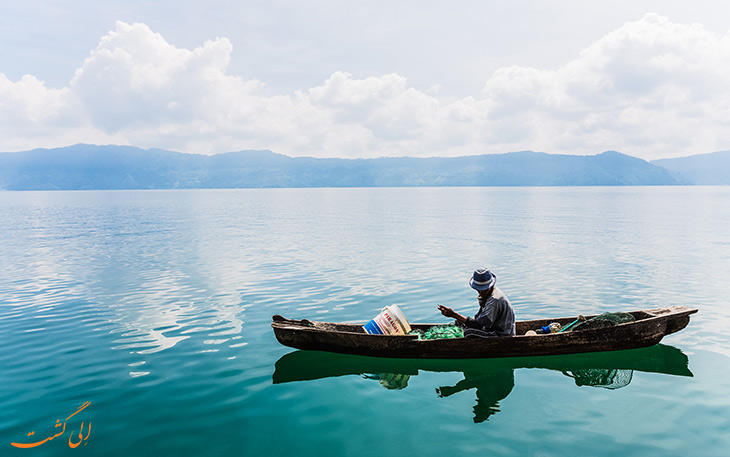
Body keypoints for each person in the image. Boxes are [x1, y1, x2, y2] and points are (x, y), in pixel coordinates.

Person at [438, 268, 516, 337]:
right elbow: (479, 316)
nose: (481, 292)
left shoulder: (494, 301)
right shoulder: (489, 293)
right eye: (479, 289)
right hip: (490, 326)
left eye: (485, 289)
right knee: (458, 323)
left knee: (469, 332)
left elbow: (478, 325)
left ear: (491, 285)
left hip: (501, 334)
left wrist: (453, 314)